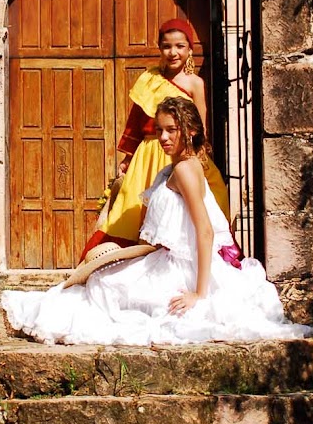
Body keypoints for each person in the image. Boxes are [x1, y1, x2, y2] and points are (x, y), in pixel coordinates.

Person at [2, 97, 313, 347]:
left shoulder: (185, 169)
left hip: (183, 266)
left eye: (172, 130)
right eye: (160, 130)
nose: (164, 137)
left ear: (190, 131)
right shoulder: (181, 166)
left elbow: (205, 230)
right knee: (104, 280)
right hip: (168, 257)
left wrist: (198, 293)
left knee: (104, 287)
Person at [80, 17, 229, 261]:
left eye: (180, 46)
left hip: (181, 153)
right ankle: (133, 261)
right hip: (147, 154)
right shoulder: (148, 80)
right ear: (160, 48)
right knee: (135, 211)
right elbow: (135, 122)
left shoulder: (195, 84)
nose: (173, 52)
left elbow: (199, 125)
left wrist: (199, 156)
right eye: (167, 46)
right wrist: (128, 158)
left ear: (190, 49)